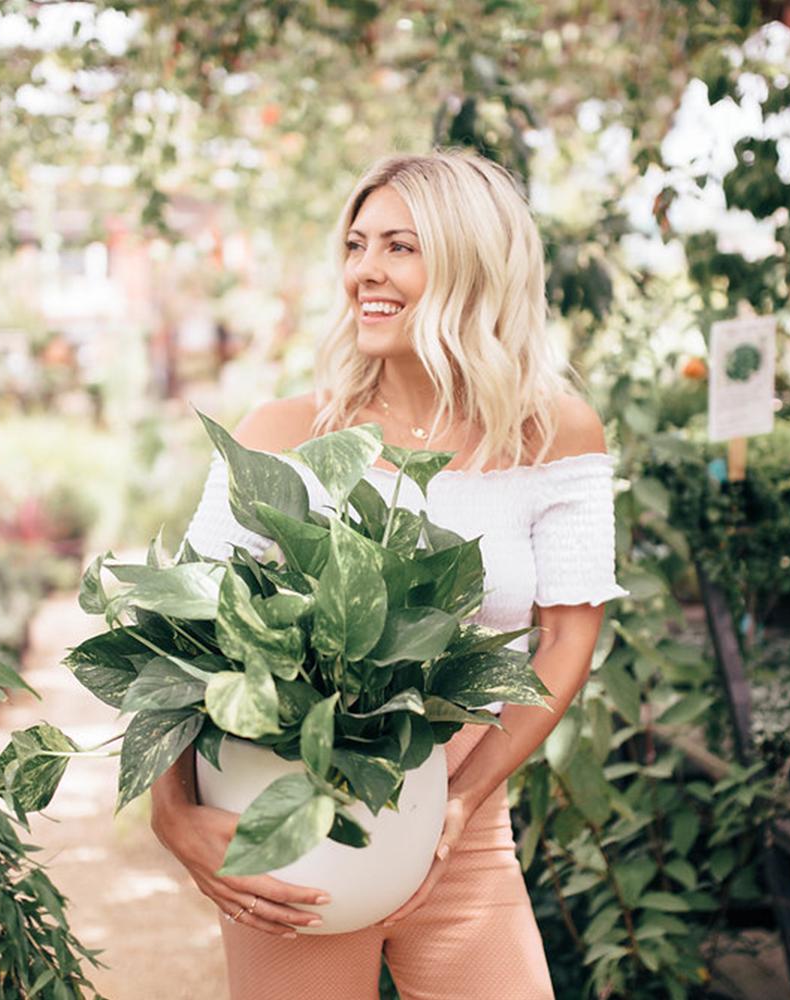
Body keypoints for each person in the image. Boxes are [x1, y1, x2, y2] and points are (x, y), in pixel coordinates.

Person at [150, 149, 628, 1000]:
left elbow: (566, 637)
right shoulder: (282, 434)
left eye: (400, 247)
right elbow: (180, 634)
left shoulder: (555, 435)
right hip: (292, 833)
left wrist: (466, 798)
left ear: (473, 266)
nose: (365, 271)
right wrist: (174, 814)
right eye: (358, 244)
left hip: (465, 841)